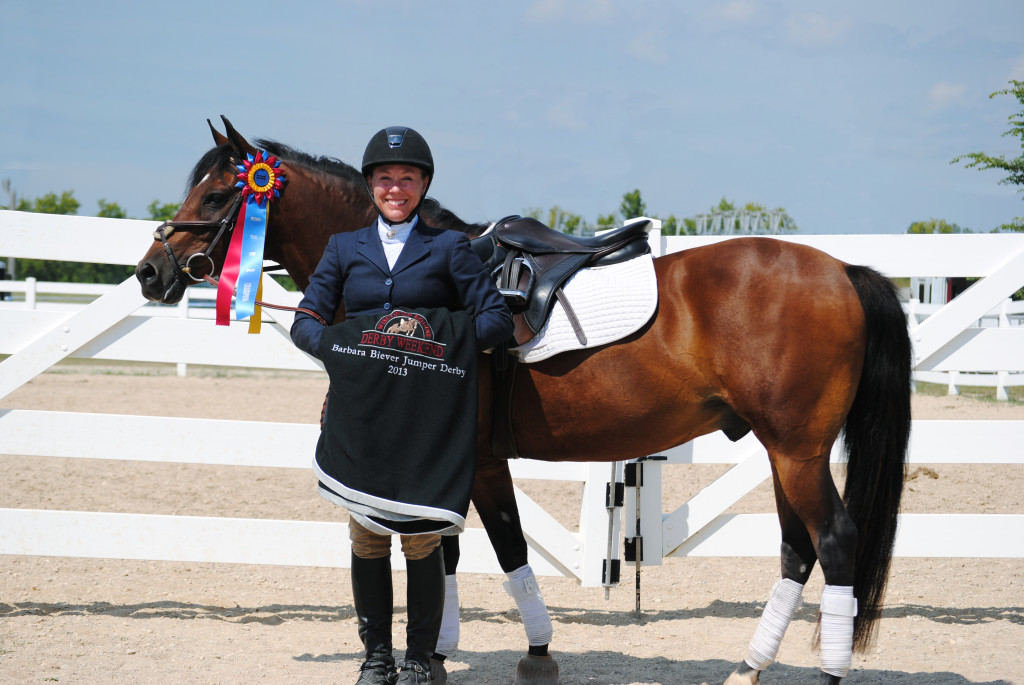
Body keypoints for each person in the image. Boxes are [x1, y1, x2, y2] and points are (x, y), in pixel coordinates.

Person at [291, 126, 513, 685]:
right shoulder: (344, 248)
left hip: (424, 412)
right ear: (371, 186)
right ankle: (375, 659)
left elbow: (494, 321)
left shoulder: (449, 248)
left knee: (419, 536)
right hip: (364, 407)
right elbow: (306, 321)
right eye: (385, 179)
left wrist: (427, 334)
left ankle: (420, 660)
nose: (396, 188)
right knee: (367, 532)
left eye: (407, 179)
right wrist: (345, 349)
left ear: (423, 185)